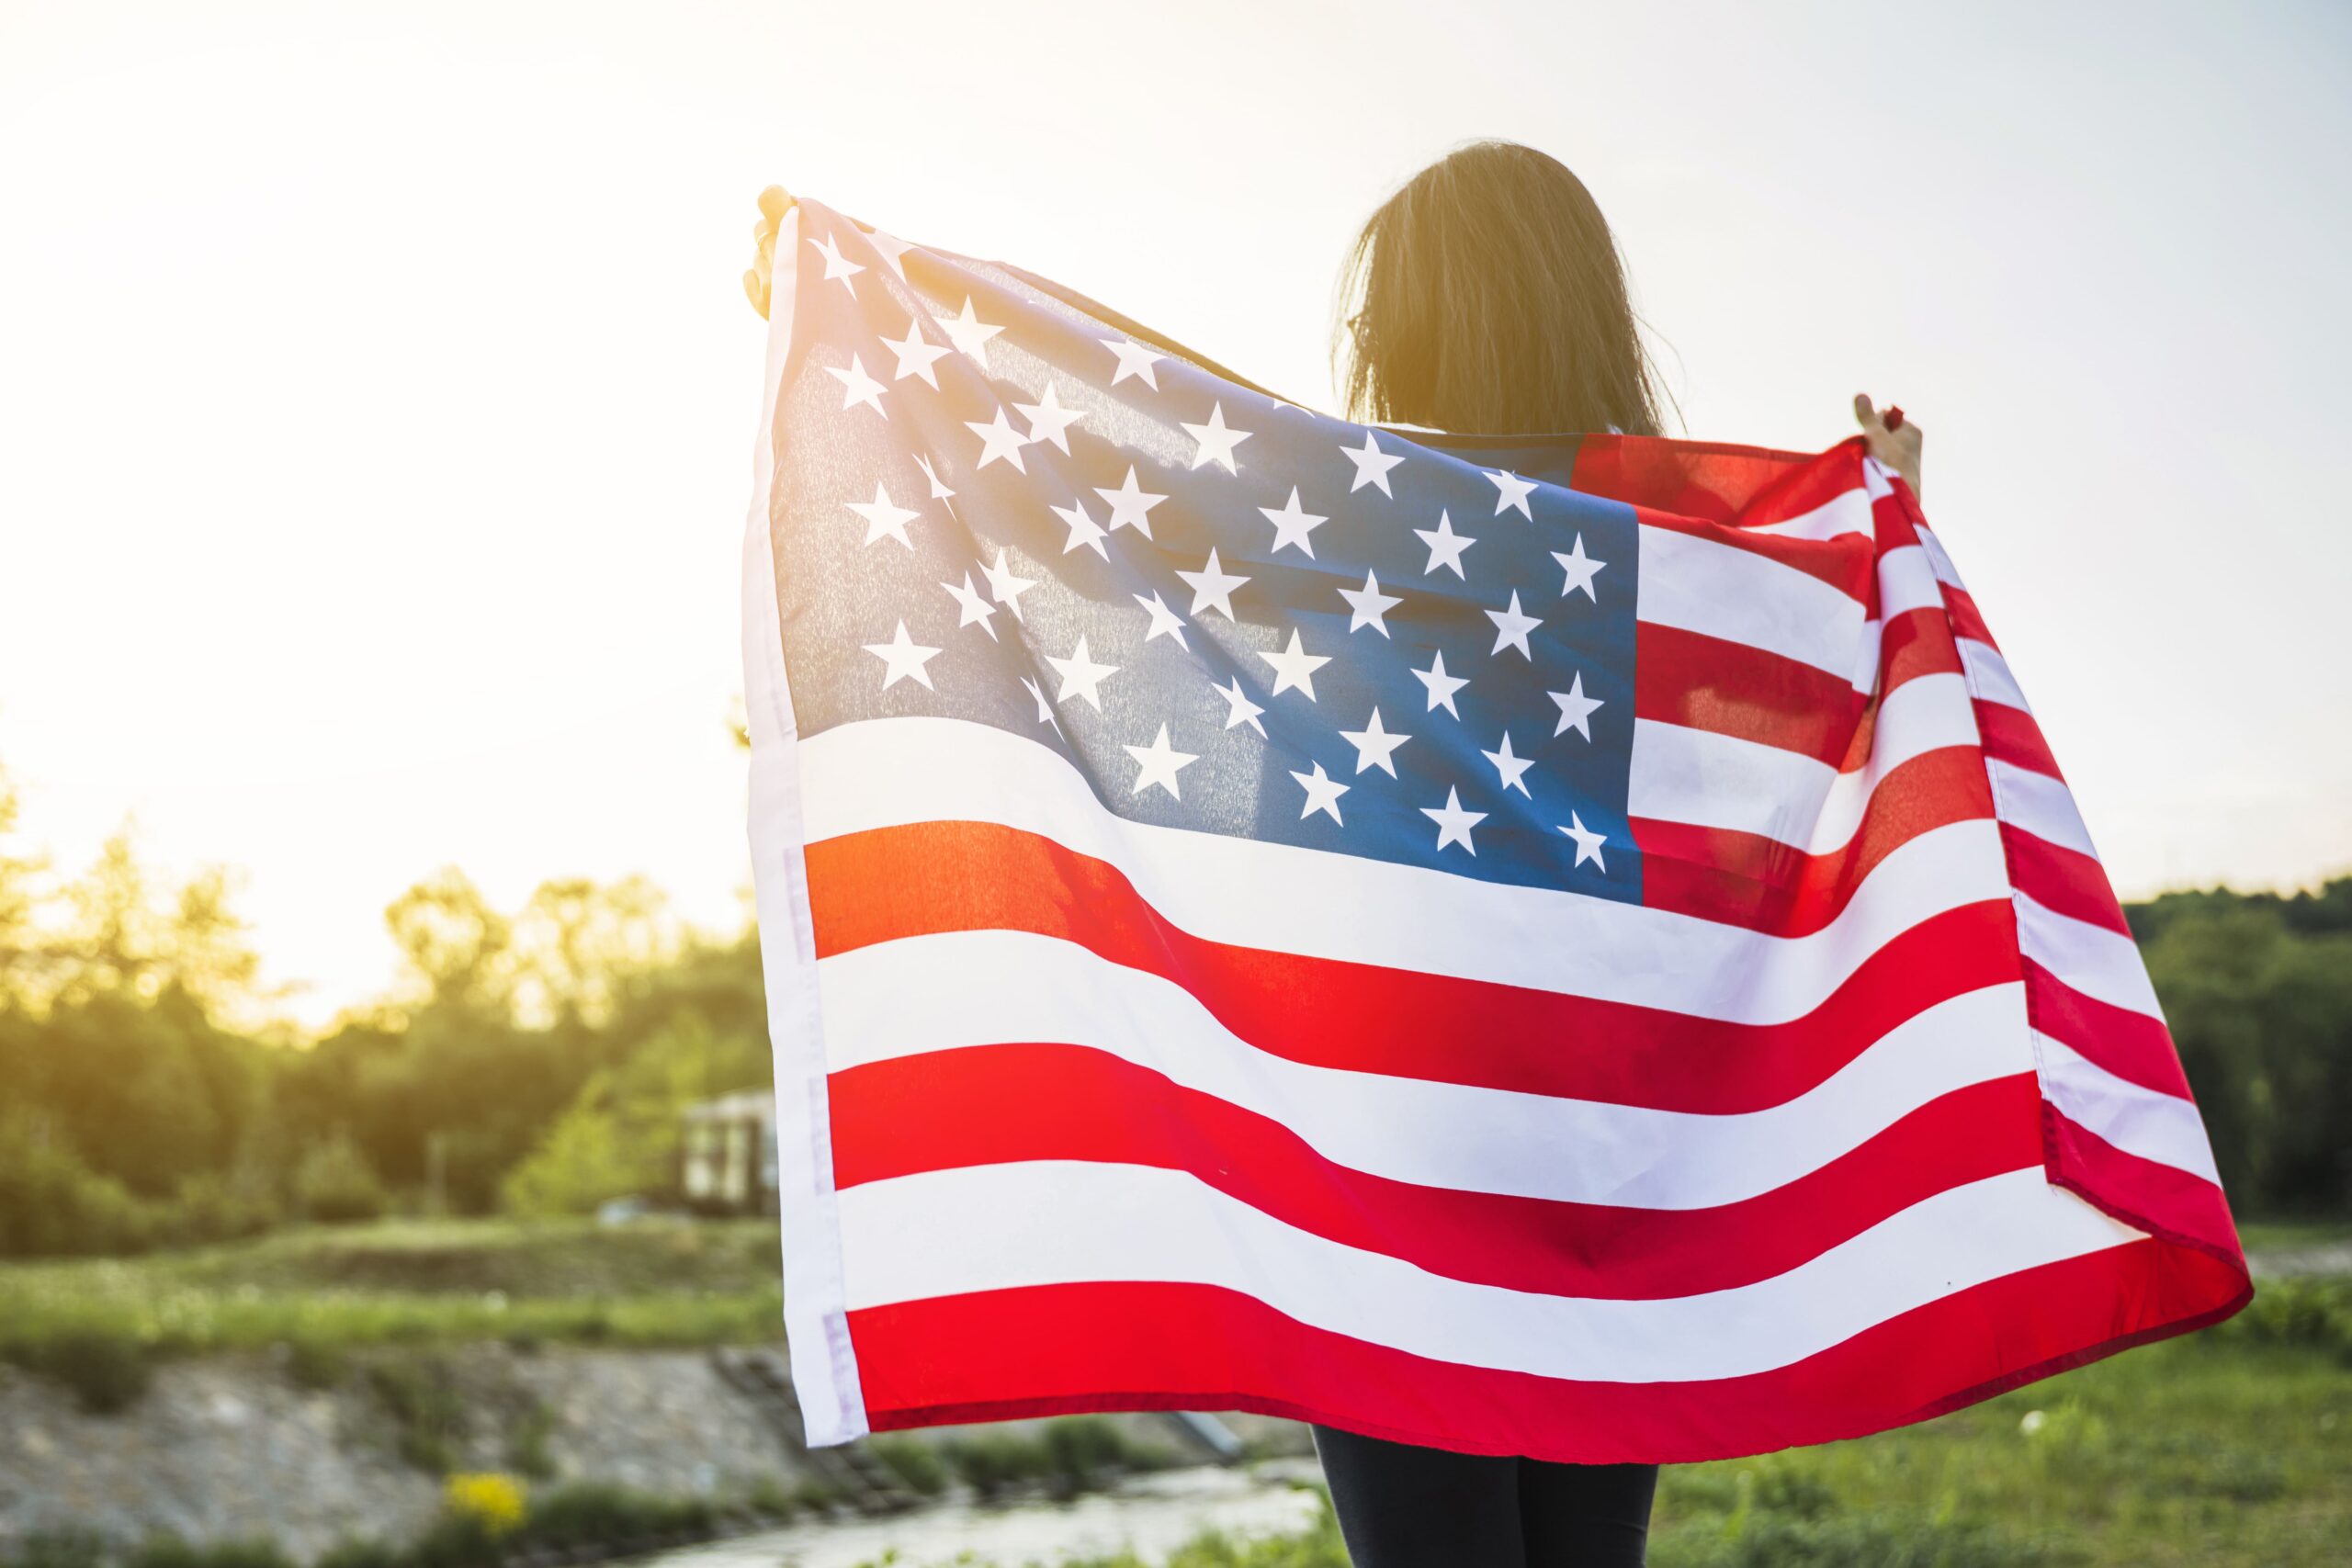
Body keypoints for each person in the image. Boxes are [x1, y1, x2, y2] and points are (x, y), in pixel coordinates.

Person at [741, 140, 1923, 1568]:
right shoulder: (1670, 548)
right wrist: (1886, 530)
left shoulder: (1345, 527)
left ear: (1428, 318)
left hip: (1395, 1144)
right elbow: (1794, 754)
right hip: (1603, 1149)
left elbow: (1063, 513)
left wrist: (851, 320)